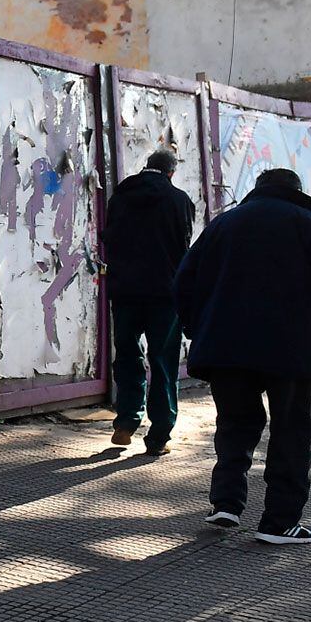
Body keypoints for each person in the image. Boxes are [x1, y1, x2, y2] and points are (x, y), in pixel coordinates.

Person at [174, 167, 311, 546]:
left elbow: (183, 282)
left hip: (227, 346)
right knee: (291, 429)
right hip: (292, 349)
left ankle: (226, 502)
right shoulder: (308, 223)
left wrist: (196, 327)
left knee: (235, 423)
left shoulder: (223, 225)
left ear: (258, 190)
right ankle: (279, 522)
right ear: (296, 192)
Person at [101, 149, 197, 455]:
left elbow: (109, 239)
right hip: (163, 295)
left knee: (127, 354)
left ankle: (126, 422)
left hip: (125, 291)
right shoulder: (179, 200)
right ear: (171, 173)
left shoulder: (120, 196)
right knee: (163, 360)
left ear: (148, 167)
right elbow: (184, 248)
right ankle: (159, 435)